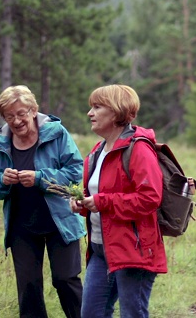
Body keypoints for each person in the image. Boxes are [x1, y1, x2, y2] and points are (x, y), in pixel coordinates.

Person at [0, 85, 85, 318]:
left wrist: (41, 178)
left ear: (33, 110)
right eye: (9, 116)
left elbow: (76, 172)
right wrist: (3, 181)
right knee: (28, 287)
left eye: (21, 113)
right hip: (22, 227)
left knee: (65, 280)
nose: (16, 121)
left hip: (60, 222)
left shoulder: (57, 133)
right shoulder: (0, 143)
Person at [70, 84, 167, 318]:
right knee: (92, 313)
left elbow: (149, 198)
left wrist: (102, 202)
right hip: (100, 250)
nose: (89, 113)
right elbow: (99, 197)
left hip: (133, 250)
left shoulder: (139, 149)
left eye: (97, 107)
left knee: (132, 314)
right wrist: (83, 205)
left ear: (115, 112)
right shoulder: (97, 151)